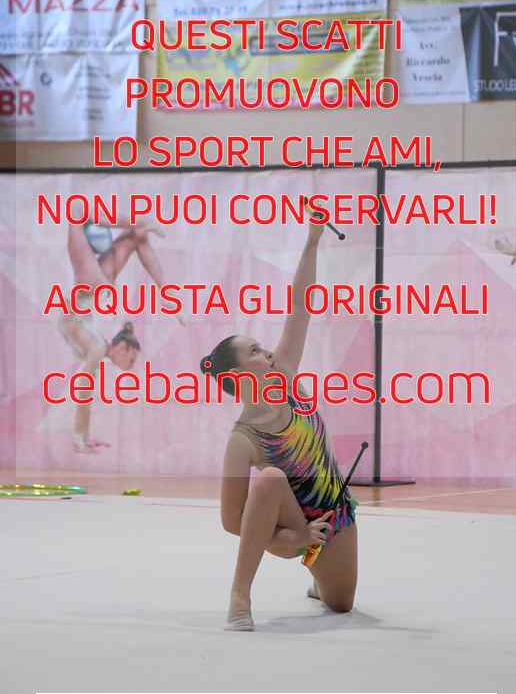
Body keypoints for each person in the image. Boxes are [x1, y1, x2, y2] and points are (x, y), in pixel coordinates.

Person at [200, 217, 358, 631]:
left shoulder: (285, 377)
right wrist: (290, 538)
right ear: (238, 375)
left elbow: (301, 307)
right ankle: (239, 595)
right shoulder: (243, 439)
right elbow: (231, 520)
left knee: (341, 604)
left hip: (332, 510)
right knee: (269, 479)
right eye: (255, 351)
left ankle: (320, 579)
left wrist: (313, 240)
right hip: (290, 521)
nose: (268, 352)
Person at [59, 217, 174, 453]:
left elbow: (84, 393)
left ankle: (138, 224)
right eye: (131, 360)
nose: (129, 368)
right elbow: (83, 393)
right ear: (124, 348)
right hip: (90, 288)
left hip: (89, 293)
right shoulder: (98, 347)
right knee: (84, 221)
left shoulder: (99, 345)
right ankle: (138, 223)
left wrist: (84, 436)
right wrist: (80, 438)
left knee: (133, 238)